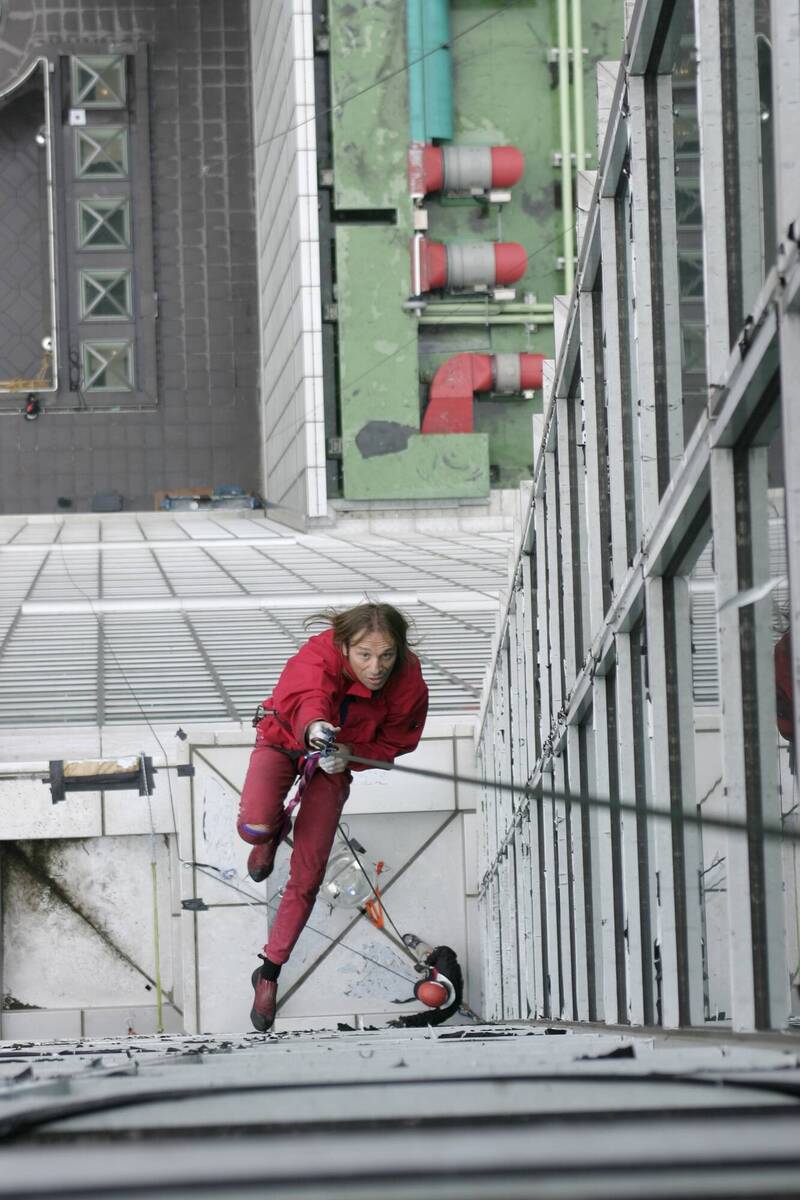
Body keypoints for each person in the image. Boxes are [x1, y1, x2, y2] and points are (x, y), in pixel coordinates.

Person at [237, 602, 429, 1031]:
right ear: (344, 646)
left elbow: (396, 740)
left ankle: (268, 973)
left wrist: (350, 757)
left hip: (335, 765)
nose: (376, 667)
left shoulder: (408, 682)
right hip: (285, 741)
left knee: (307, 874)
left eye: (386, 655)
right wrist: (316, 728)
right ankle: (269, 834)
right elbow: (308, 693)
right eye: (364, 655)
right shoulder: (319, 653)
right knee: (254, 826)